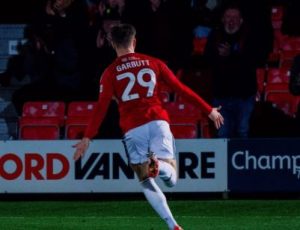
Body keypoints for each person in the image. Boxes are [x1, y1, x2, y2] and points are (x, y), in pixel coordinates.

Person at [73, 23, 224, 230]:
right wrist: (209, 110)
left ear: (112, 44)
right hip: (157, 121)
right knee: (171, 179)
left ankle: (172, 225)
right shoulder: (154, 63)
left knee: (144, 179)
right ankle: (160, 166)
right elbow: (181, 89)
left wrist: (87, 137)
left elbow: (101, 108)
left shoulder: (109, 73)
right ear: (134, 41)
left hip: (133, 129)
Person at [204, 4, 262, 138]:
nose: (231, 20)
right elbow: (207, 59)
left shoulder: (249, 37)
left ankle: (244, 158)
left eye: (235, 17)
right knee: (223, 133)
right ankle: (225, 160)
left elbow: (254, 59)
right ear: (223, 19)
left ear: (241, 20)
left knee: (243, 131)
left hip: (244, 95)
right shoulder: (215, 36)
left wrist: (231, 54)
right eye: (228, 17)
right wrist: (220, 56)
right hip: (221, 95)